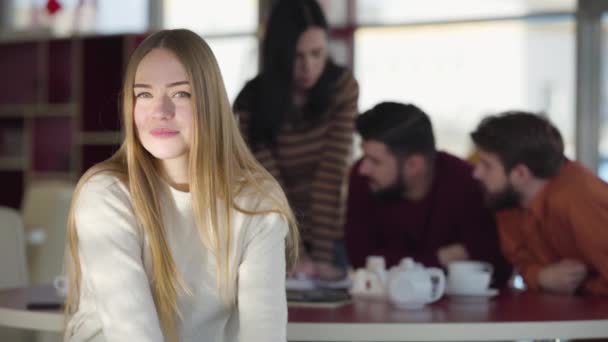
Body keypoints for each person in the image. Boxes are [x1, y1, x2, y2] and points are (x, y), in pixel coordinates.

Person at [62, 29, 299, 342]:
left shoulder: (256, 202)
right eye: (143, 94)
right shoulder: (106, 194)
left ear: (210, 104)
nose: (160, 111)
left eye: (180, 93)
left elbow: (263, 334)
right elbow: (133, 334)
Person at [233, 0, 358, 279]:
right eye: (297, 56)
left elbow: (332, 173)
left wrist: (321, 258)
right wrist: (295, 253)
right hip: (275, 235)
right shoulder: (251, 102)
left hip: (331, 237)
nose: (308, 67)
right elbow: (268, 186)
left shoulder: (342, 88)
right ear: (278, 55)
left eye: (317, 53)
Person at [345, 102, 511, 287]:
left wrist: (399, 263)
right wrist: (441, 258)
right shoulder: (364, 180)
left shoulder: (468, 183)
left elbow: (493, 267)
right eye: (364, 156)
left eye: (375, 161)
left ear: (414, 165)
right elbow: (362, 261)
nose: (363, 168)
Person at [471, 111, 608, 295]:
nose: (476, 173)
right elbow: (520, 262)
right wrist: (541, 277)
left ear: (521, 174)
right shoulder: (507, 199)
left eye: (487, 165)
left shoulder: (579, 199)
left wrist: (581, 286)